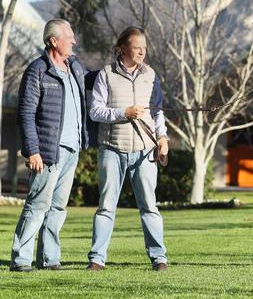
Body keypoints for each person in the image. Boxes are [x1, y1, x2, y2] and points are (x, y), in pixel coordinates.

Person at [86, 26, 169, 271]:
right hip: (112, 149)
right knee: (106, 206)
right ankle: (97, 259)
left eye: (144, 46)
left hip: (144, 151)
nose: (142, 51)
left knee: (149, 207)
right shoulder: (106, 74)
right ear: (123, 48)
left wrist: (162, 138)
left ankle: (159, 258)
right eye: (137, 46)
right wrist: (124, 113)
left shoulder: (151, 75)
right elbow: (95, 111)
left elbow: (157, 113)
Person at [11, 19, 89, 271]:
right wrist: (32, 150)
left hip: (72, 148)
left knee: (58, 207)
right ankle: (21, 259)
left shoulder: (74, 69)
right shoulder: (38, 70)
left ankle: (49, 258)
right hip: (46, 151)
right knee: (37, 204)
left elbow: (94, 84)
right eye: (69, 37)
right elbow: (25, 113)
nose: (74, 41)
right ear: (54, 41)